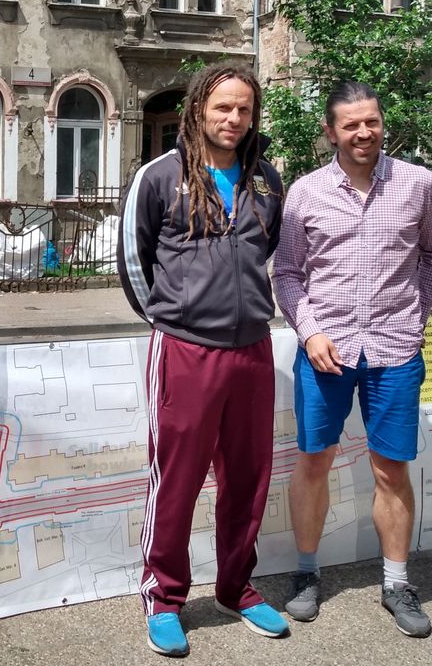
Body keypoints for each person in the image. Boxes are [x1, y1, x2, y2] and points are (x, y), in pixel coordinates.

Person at [117, 60, 287, 658]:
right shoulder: (159, 177)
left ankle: (236, 587)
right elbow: (133, 262)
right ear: (198, 109)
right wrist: (172, 319)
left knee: (247, 478)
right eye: (223, 107)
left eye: (244, 109)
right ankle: (164, 597)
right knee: (178, 481)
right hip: (186, 351)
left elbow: (270, 254)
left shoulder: (266, 180)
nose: (234, 119)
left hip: (252, 350)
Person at [273, 81, 432, 638]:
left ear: (382, 122)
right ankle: (305, 574)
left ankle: (397, 582)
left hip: (395, 350)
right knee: (314, 461)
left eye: (371, 121)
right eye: (350, 124)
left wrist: (415, 314)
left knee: (391, 468)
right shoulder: (304, 193)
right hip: (326, 350)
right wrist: (309, 331)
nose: (363, 132)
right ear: (331, 131)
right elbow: (287, 272)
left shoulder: (419, 185)